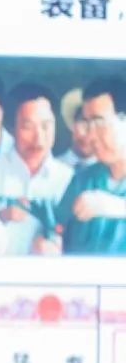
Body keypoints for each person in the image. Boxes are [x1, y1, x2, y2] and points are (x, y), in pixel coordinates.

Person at [0, 82, 73, 255]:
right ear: (11, 128)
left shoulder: (69, 178)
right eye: (28, 127)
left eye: (46, 126)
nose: (39, 137)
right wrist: (0, 216)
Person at [57, 78, 126, 254]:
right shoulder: (82, 181)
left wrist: (114, 206)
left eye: (99, 123)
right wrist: (49, 241)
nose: (90, 135)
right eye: (87, 124)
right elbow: (56, 229)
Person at [58, 87, 97, 171]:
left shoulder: (112, 172)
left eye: (96, 123)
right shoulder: (52, 169)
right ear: (73, 124)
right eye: (83, 121)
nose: (89, 130)